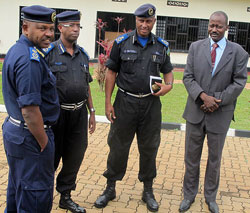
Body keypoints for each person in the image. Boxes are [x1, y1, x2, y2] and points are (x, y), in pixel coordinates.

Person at [94, 3, 173, 212]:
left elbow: (168, 72)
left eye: (148, 21)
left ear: (154, 21)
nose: (144, 24)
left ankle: (148, 190)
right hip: (125, 103)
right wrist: (108, 102)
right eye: (141, 21)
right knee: (118, 147)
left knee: (149, 148)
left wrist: (168, 87)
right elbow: (111, 72)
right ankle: (110, 187)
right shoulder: (122, 43)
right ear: (135, 21)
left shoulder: (162, 46)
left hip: (150, 104)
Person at [179, 11, 248, 213]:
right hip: (195, 111)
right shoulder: (195, 48)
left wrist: (217, 99)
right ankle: (189, 195)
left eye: (219, 26)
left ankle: (211, 198)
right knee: (191, 158)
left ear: (227, 27)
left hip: (220, 113)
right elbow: (188, 77)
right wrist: (203, 96)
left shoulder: (238, 52)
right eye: (211, 25)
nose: (214, 30)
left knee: (214, 159)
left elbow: (239, 82)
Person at [2, 5, 60, 213]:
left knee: (19, 190)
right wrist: (43, 142)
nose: (49, 34)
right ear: (26, 27)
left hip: (18, 132)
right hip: (31, 137)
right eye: (42, 28)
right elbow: (29, 109)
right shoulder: (30, 60)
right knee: (35, 196)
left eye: (51, 29)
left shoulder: (18, 50)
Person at [44, 10, 96, 213]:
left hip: (79, 114)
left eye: (78, 26)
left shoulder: (82, 54)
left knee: (75, 156)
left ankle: (65, 196)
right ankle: (44, 196)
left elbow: (87, 84)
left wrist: (92, 111)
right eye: (71, 25)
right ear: (60, 28)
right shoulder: (48, 53)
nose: (76, 29)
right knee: (51, 157)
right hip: (56, 116)